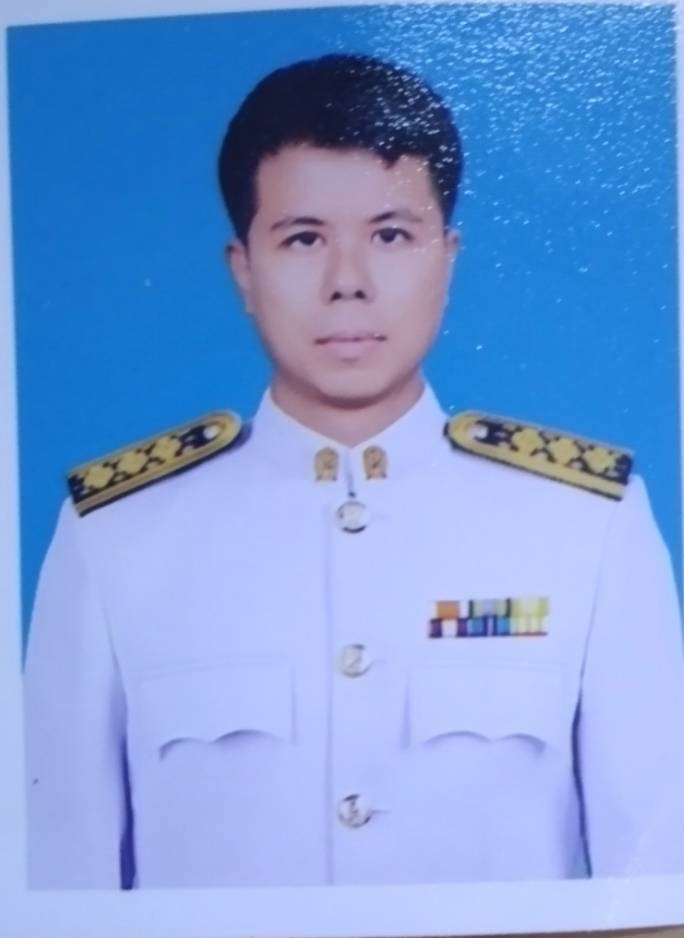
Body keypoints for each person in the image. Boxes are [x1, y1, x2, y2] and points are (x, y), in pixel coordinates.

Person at [24, 52, 684, 890]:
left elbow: (660, 880)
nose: (349, 283)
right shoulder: (117, 536)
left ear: (447, 257)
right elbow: (57, 886)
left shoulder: (585, 522)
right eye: (303, 239)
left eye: (391, 236)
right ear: (243, 270)